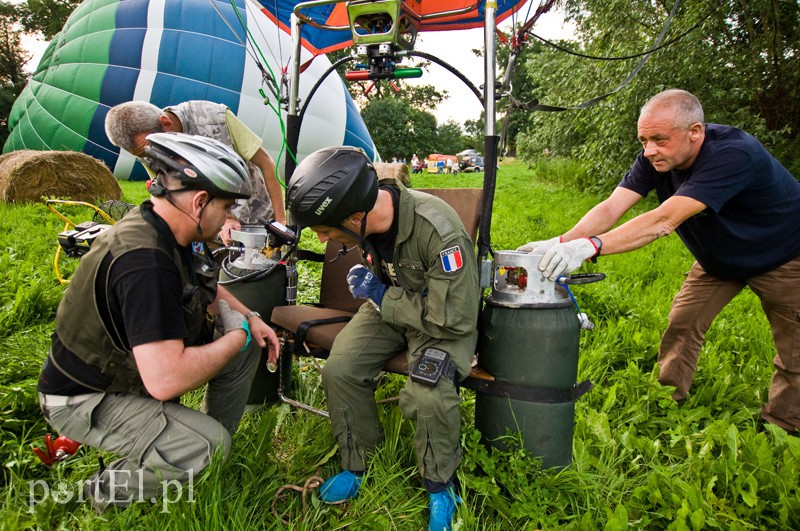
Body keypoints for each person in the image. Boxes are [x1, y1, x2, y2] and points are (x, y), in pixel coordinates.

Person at [518, 89, 800, 433]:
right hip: (719, 260)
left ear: (694, 132)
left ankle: (782, 428)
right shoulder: (655, 158)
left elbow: (664, 219)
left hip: (783, 255)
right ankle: (668, 401)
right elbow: (611, 207)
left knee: (794, 349)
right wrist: (561, 242)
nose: (649, 150)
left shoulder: (734, 154)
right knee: (682, 324)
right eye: (644, 140)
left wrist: (589, 247)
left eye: (659, 140)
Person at [37, 133, 281, 510]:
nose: (229, 220)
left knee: (246, 345)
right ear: (200, 202)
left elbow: (207, 287)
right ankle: (97, 494)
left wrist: (249, 318)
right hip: (86, 395)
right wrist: (236, 335)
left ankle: (188, 447)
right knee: (210, 446)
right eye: (227, 208)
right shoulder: (145, 262)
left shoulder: (173, 227)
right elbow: (167, 380)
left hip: (132, 372)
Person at [286, 146, 480, 530]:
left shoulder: (438, 231)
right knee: (340, 369)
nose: (324, 239)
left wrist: (381, 295)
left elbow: (454, 318)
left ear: (357, 216)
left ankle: (442, 486)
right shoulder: (368, 221)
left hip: (441, 322)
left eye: (326, 230)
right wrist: (381, 293)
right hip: (392, 305)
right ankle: (358, 462)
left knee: (428, 389)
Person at [104, 100, 286, 244]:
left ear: (165, 123)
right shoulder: (147, 149)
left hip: (257, 221)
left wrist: (281, 223)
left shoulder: (215, 117)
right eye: (142, 155)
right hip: (204, 232)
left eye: (148, 150)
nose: (151, 157)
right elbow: (169, 195)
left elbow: (266, 164)